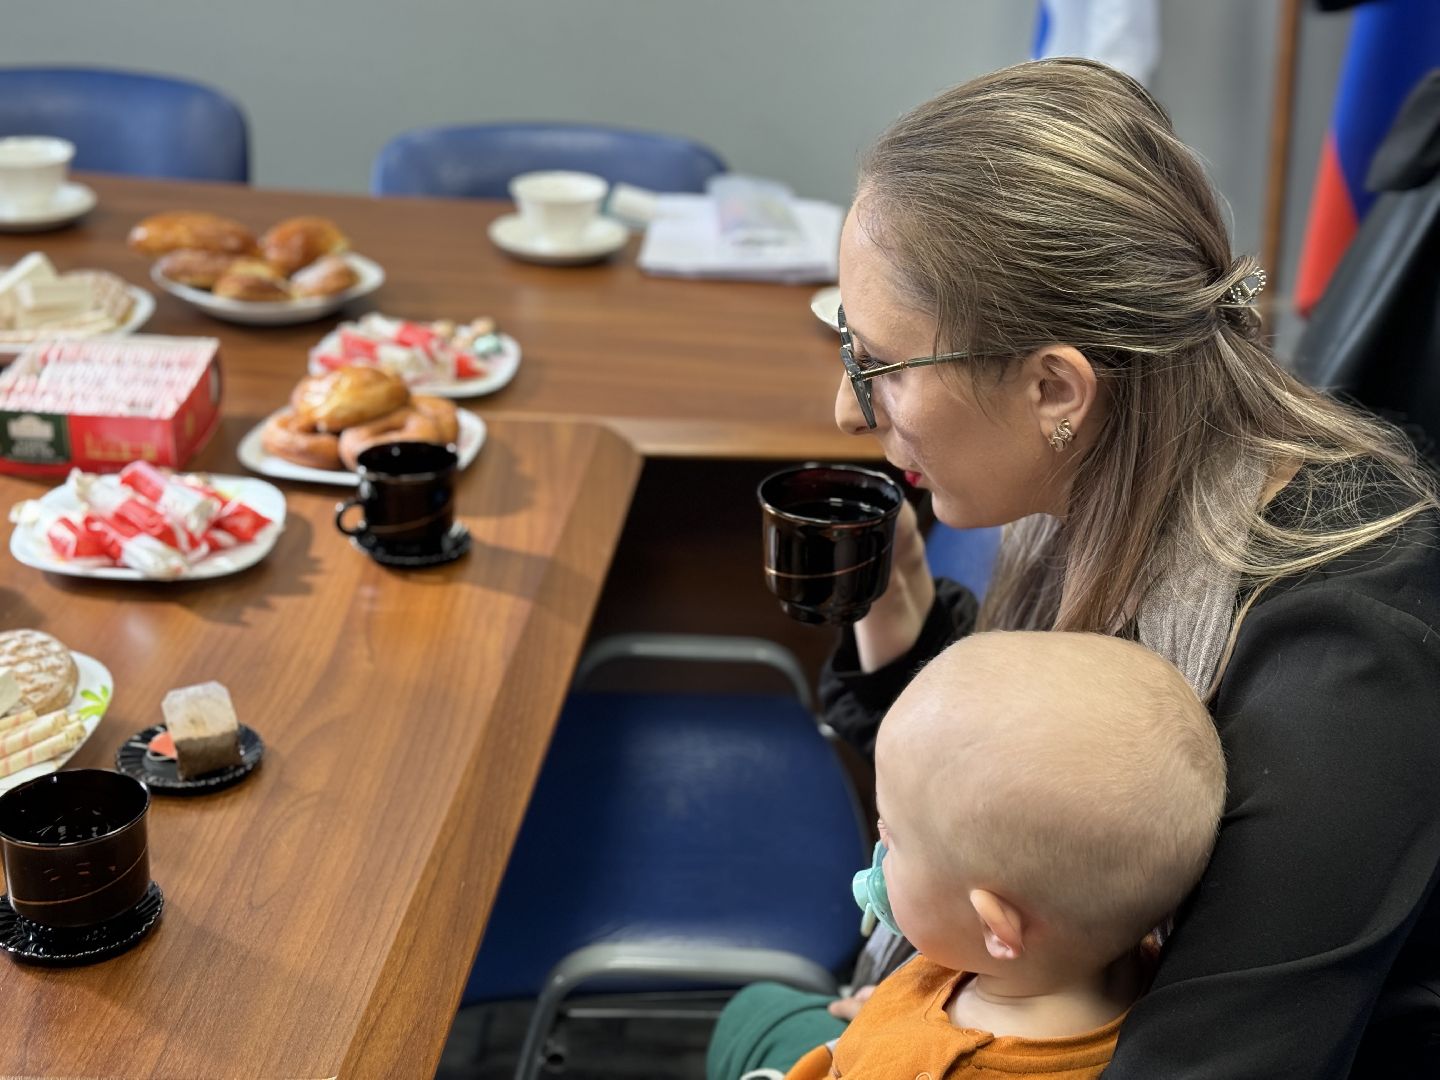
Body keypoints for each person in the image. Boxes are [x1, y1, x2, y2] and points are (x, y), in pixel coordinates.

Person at [710, 57, 1440, 1080]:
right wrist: (905, 628)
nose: (848, 411)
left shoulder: (1345, 671)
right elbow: (1016, 820)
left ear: (1055, 386)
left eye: (875, 366)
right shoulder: (1115, 470)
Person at [784, 630, 1224, 1080]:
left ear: (996, 927)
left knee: (757, 1005)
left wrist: (883, 1041)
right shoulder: (1106, 954)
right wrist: (899, 1007)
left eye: (892, 839)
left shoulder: (930, 1066)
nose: (879, 848)